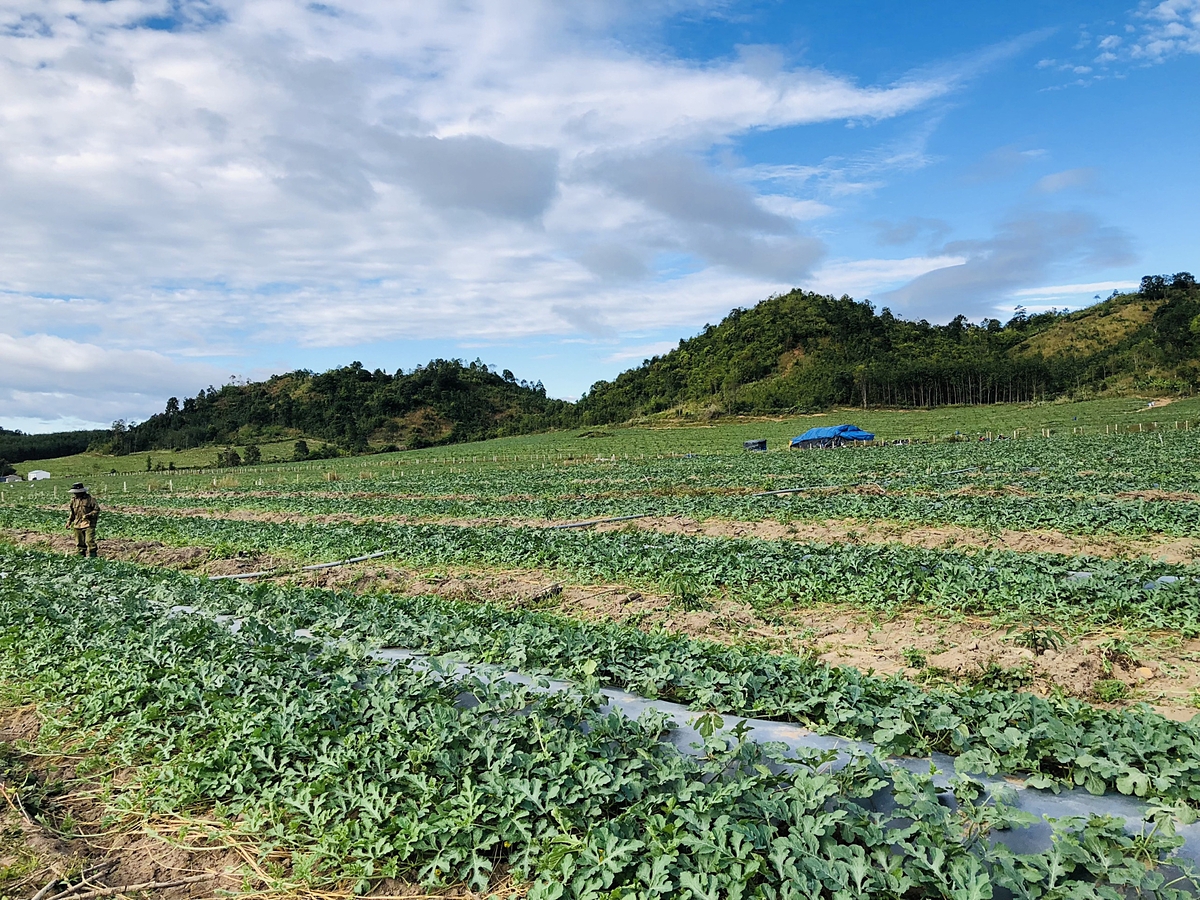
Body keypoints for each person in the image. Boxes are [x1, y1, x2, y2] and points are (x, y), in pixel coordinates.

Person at [67, 482, 100, 557]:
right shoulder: (73, 500)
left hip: (89, 523)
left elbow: (96, 510)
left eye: (77, 493)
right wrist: (69, 521)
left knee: (89, 541)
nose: (75, 494)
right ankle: (81, 559)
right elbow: (72, 513)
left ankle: (93, 558)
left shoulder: (90, 499)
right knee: (79, 543)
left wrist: (88, 515)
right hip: (77, 524)